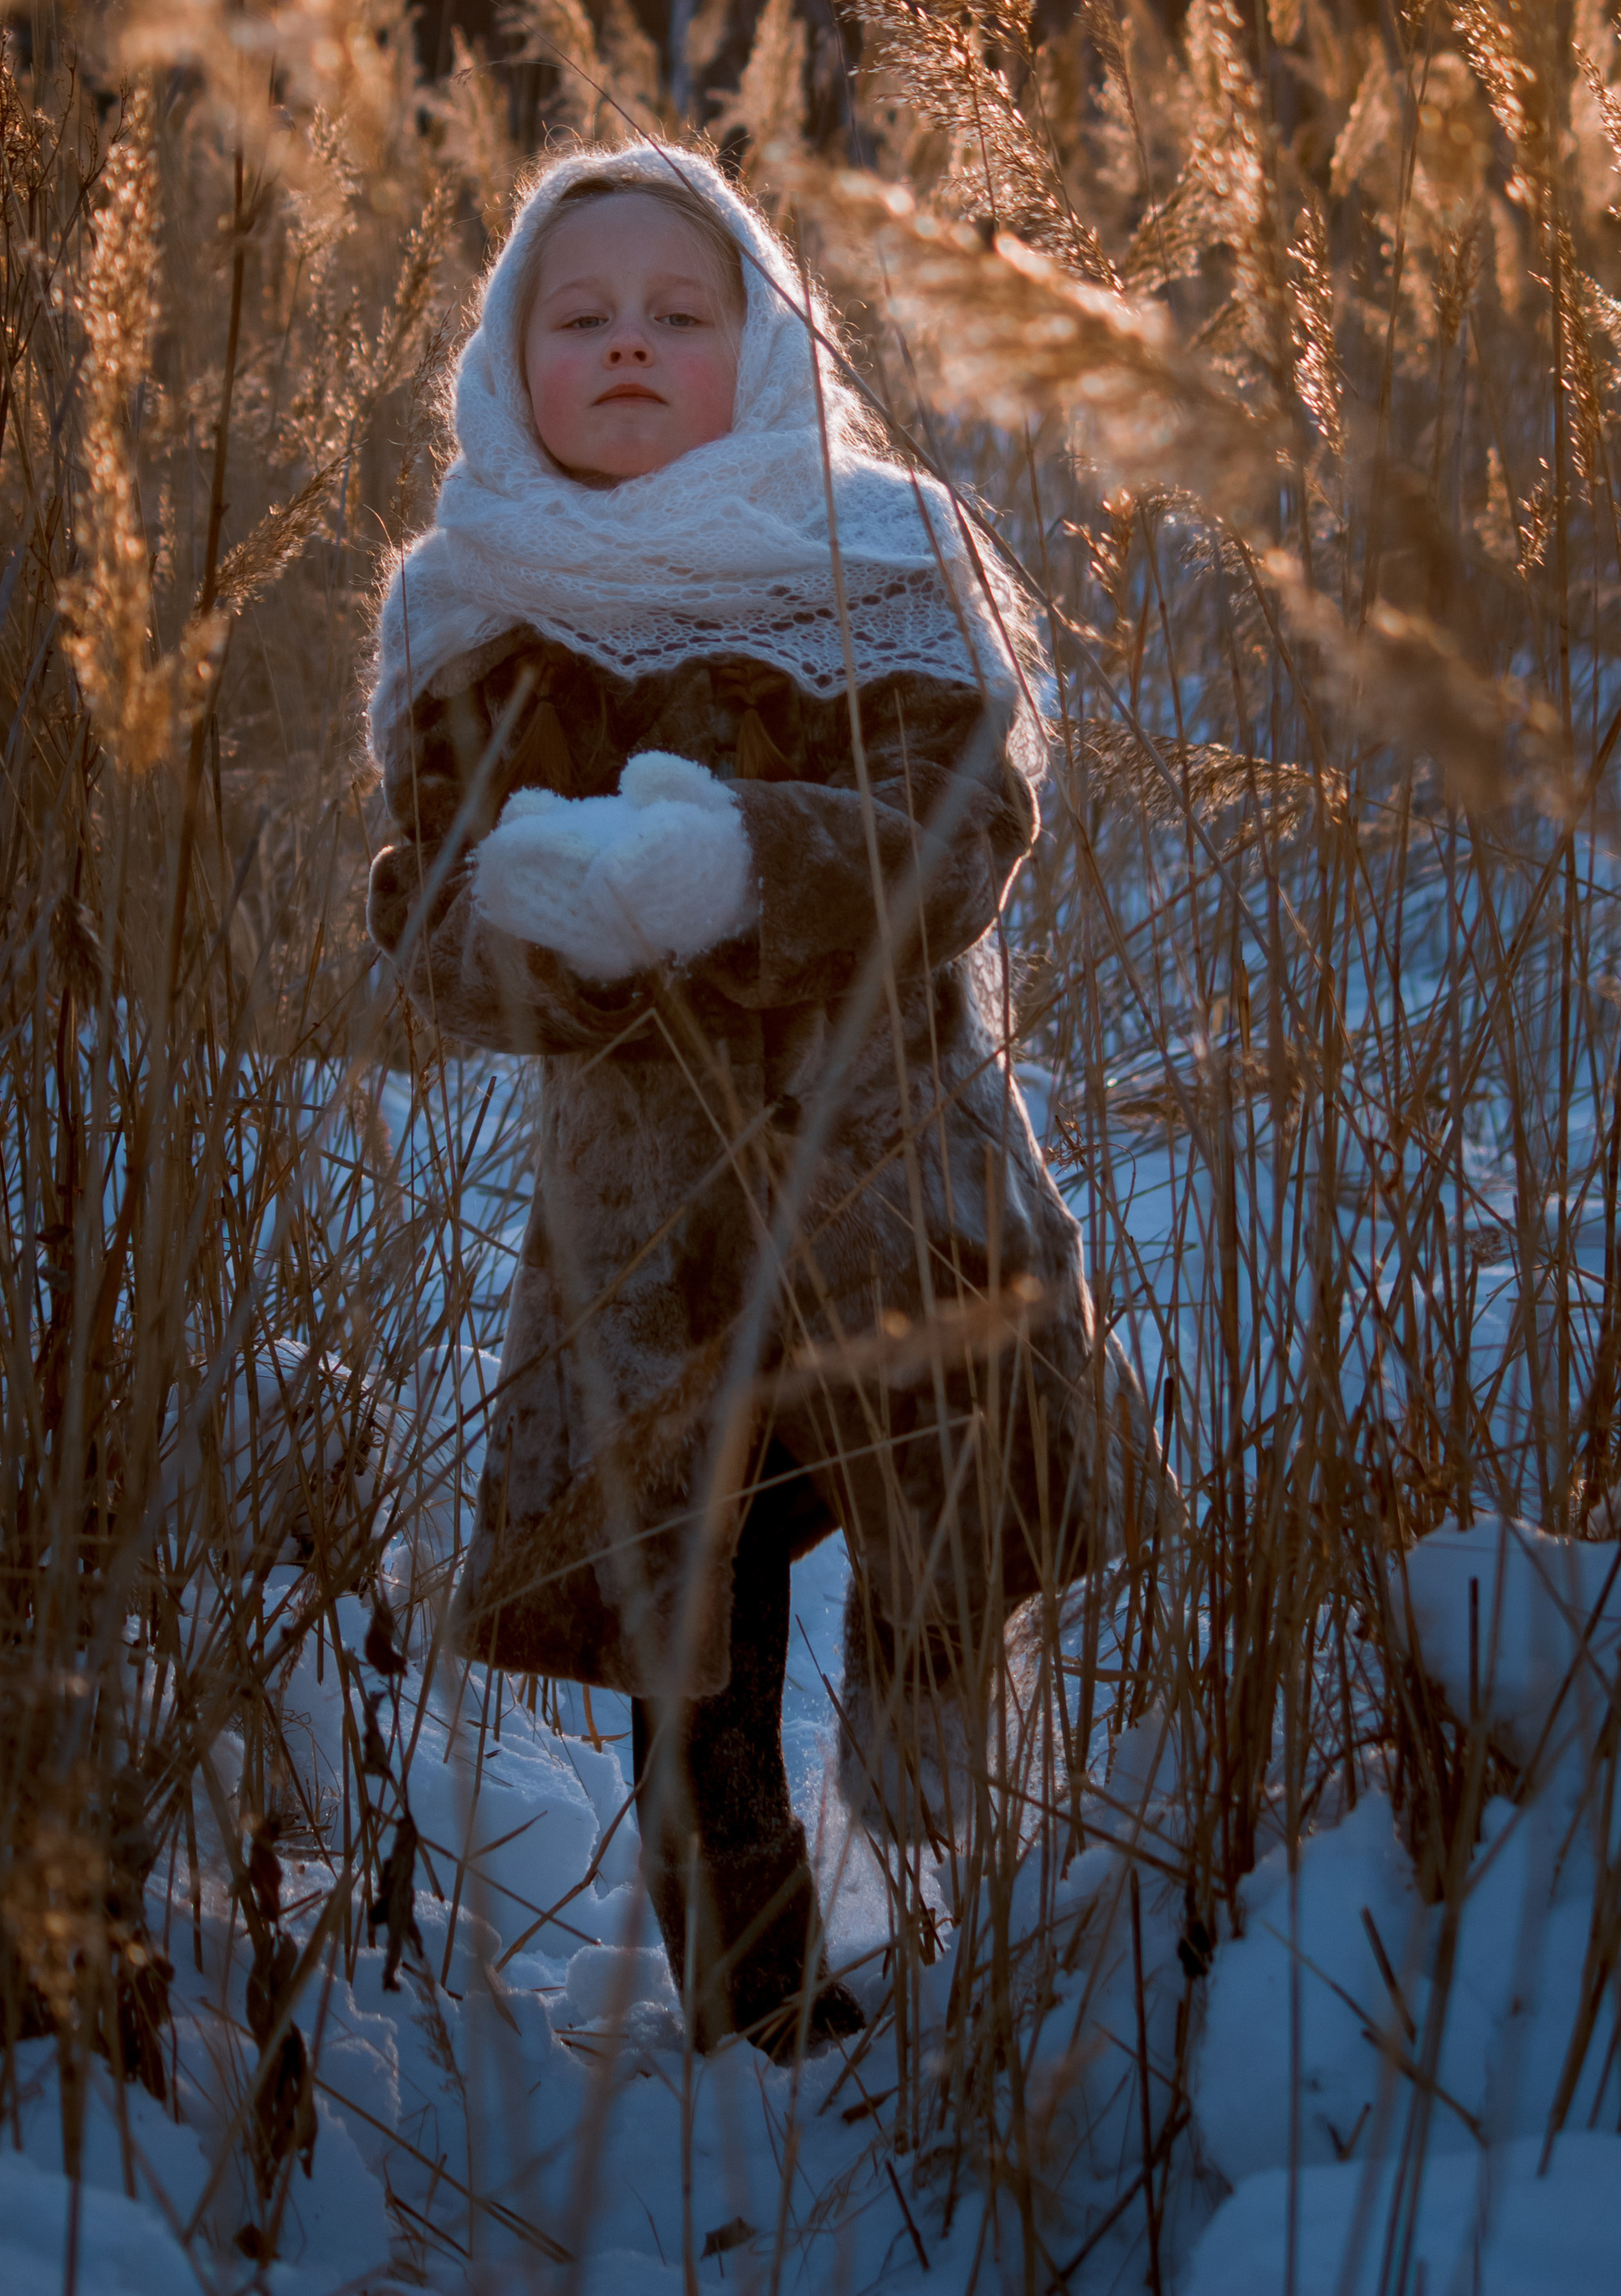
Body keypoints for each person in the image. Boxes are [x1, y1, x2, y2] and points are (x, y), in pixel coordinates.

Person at [365, 142, 1119, 2059]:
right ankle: (747, 1972)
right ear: (506, 362)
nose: (629, 346)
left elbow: (964, 832)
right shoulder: (477, 617)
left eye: (680, 318)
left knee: (942, 1479)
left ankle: (962, 1765)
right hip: (649, 1251)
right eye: (581, 316)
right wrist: (540, 911)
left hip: (895, 1185)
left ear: (768, 348)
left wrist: (740, 867)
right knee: (682, 1624)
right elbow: (432, 933)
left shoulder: (873, 557)